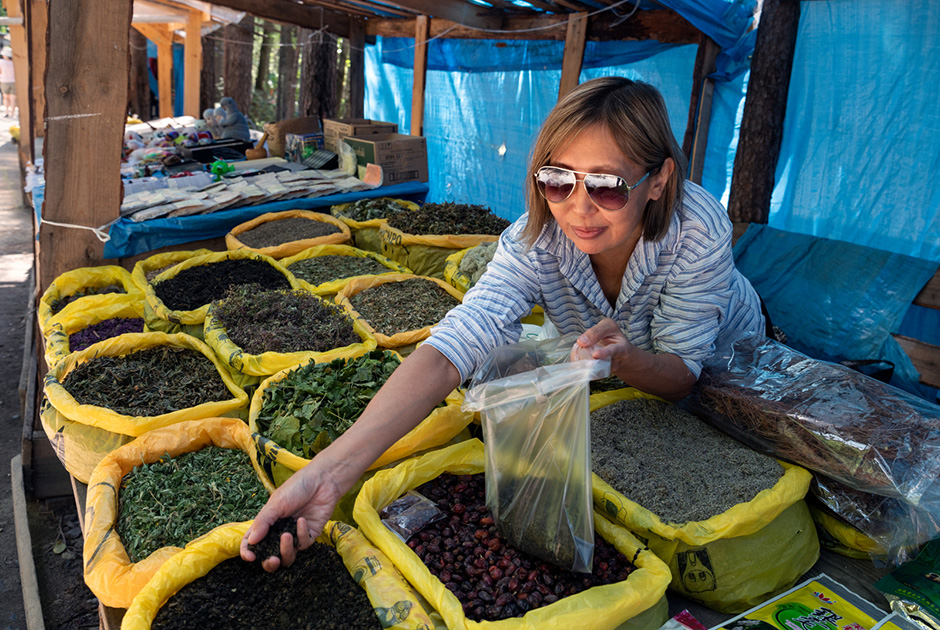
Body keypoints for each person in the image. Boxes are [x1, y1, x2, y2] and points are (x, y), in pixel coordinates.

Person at [240, 76, 766, 570]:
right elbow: (458, 342)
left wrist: (626, 359)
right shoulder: (534, 238)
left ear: (659, 180)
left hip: (726, 366)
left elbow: (682, 374)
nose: (579, 209)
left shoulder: (695, 231)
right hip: (623, 379)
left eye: (607, 186)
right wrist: (331, 471)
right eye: (558, 180)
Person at [0, 47, 16, 119]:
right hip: (14, 81)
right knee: (13, 98)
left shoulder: (1, 62)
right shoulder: (14, 63)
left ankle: (7, 112)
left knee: (6, 97)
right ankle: (12, 113)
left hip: (4, 81)